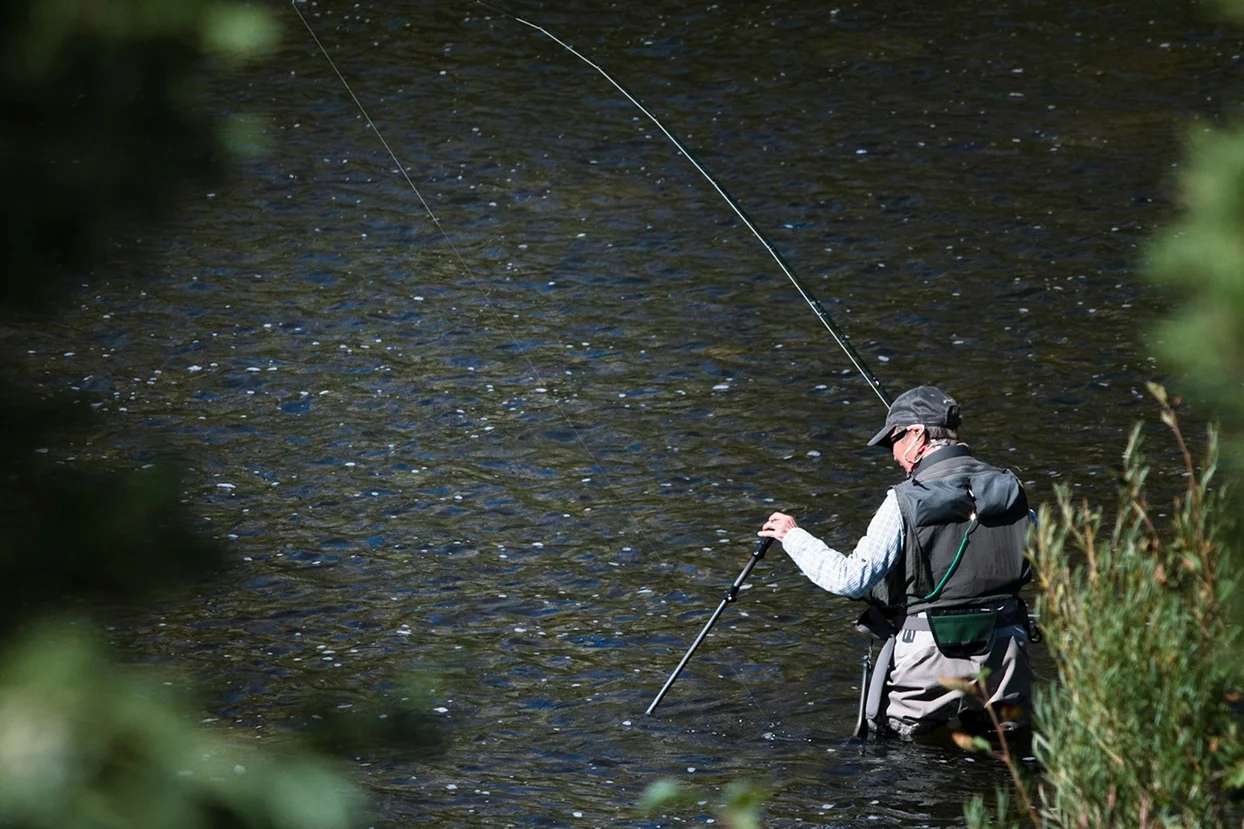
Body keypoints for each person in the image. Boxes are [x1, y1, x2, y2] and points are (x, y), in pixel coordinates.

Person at [758, 385, 1033, 738]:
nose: (894, 456)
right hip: (1006, 654)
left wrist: (793, 537)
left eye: (894, 442)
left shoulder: (903, 501)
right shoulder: (1010, 489)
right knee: (1006, 758)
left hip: (928, 657)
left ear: (917, 435)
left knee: (904, 763)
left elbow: (850, 579)